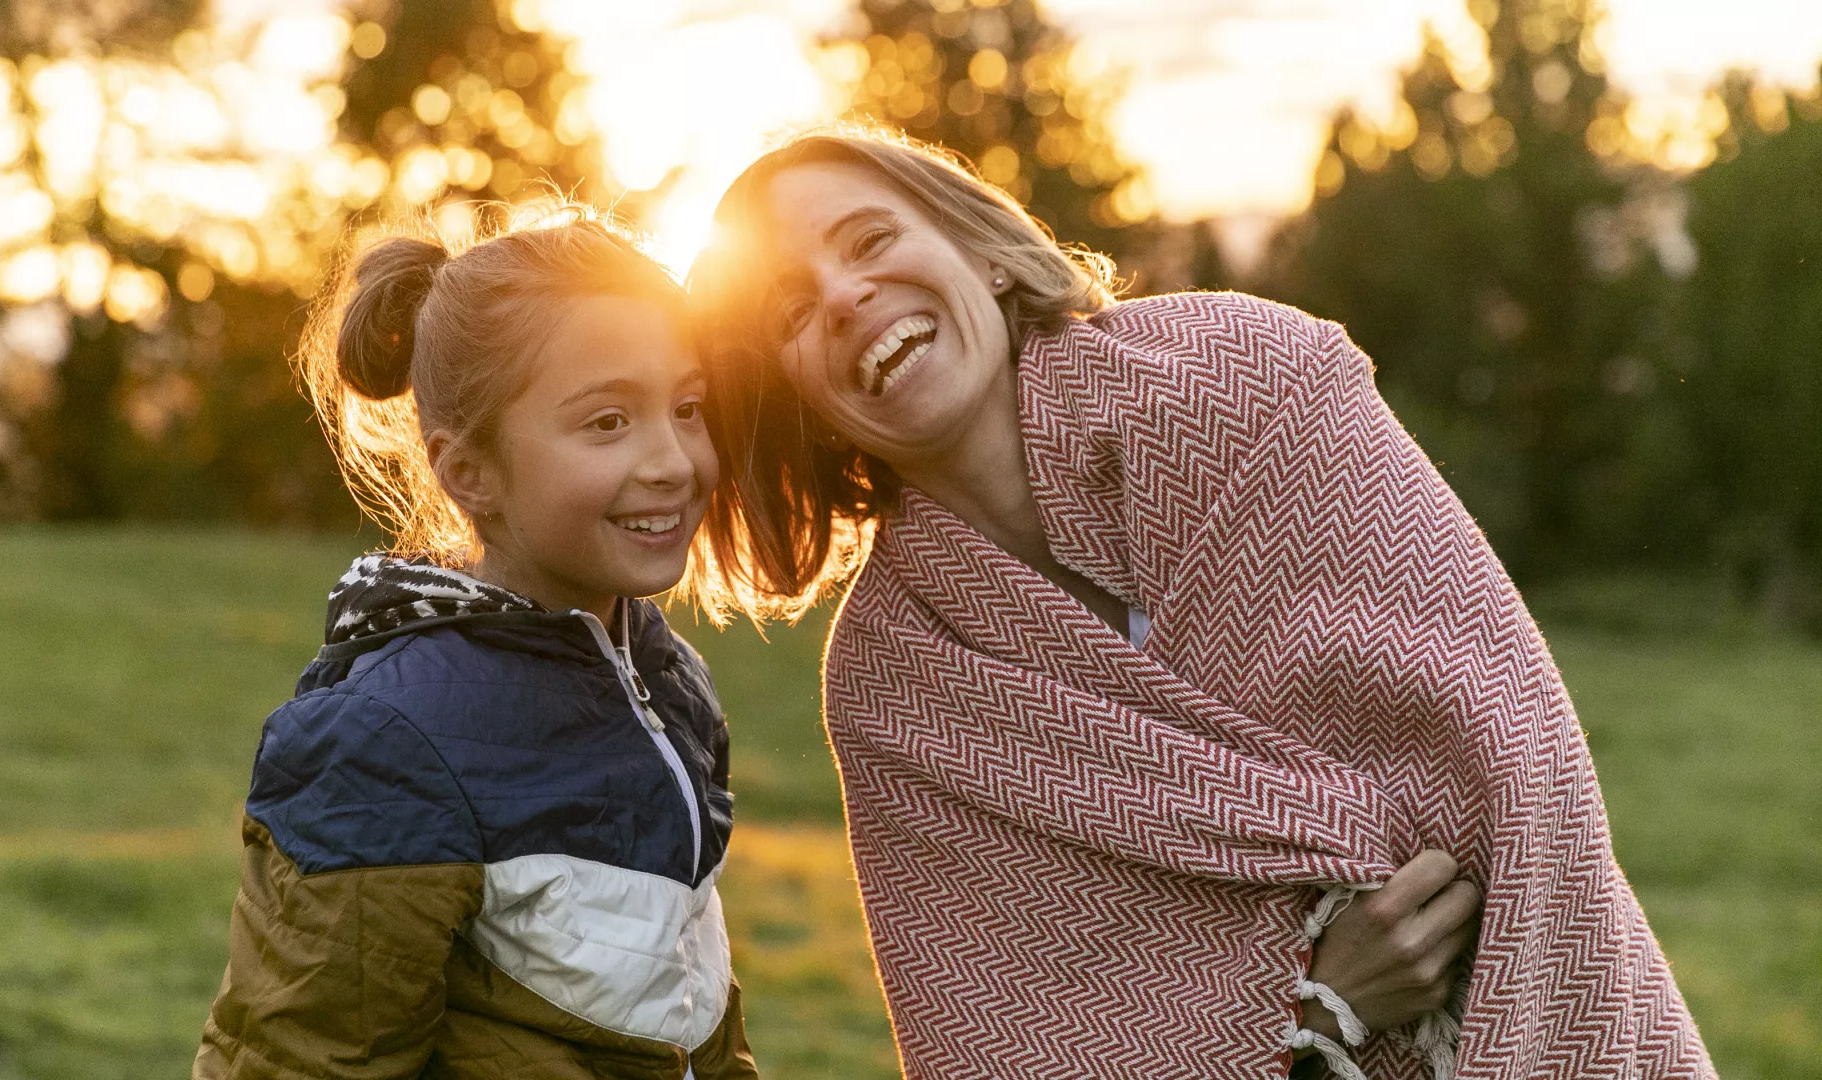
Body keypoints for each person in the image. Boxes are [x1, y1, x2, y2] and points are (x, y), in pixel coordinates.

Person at [688, 130, 1712, 1079]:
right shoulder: (894, 681)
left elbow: (1516, 760)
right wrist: (1315, 1012)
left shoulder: (1251, 377)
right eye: (788, 310)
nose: (843, 294)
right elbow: (1001, 1046)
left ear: (982, 252)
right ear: (801, 398)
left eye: (869, 239)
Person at [195, 208, 758, 1080]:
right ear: (470, 473)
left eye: (687, 408)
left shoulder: (665, 675)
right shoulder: (384, 740)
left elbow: (686, 1005)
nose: (673, 459)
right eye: (608, 422)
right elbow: (302, 1059)